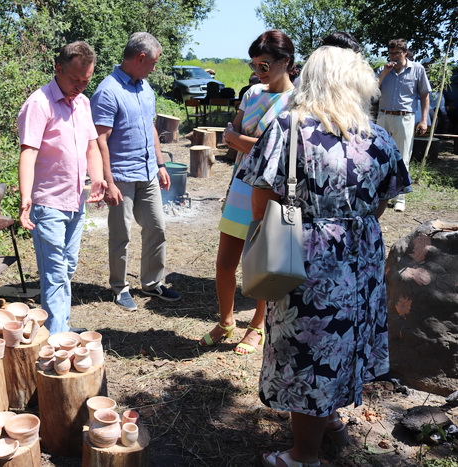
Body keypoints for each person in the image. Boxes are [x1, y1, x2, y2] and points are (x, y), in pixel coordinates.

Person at [238, 45, 411, 467]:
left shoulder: (288, 128)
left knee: (309, 352)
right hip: (362, 256)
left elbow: (261, 203)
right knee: (344, 340)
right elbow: (384, 200)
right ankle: (329, 418)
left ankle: (303, 455)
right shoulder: (378, 135)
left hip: (308, 257)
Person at [200, 30, 295, 354]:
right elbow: (234, 134)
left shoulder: (296, 103)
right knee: (225, 263)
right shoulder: (253, 93)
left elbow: (271, 150)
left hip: (270, 190)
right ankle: (226, 321)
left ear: (286, 62)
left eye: (265, 65)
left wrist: (239, 140)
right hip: (240, 185)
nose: (259, 72)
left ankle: (257, 325)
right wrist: (244, 141)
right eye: (255, 65)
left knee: (262, 264)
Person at [17, 41, 106, 334]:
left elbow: (92, 145)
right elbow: (28, 152)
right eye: (74, 79)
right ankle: (57, 340)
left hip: (75, 201)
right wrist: (26, 197)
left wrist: (97, 177)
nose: (80, 86)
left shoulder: (83, 103)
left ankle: (59, 326)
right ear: (58, 69)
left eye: (86, 81)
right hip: (47, 202)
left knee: (67, 268)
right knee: (55, 274)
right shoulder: (39, 104)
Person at [91, 32, 181, 311]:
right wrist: (108, 181)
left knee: (157, 228)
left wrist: (161, 164)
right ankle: (120, 288)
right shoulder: (107, 91)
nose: (155, 68)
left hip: (147, 172)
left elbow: (150, 127)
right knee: (122, 235)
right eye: (153, 62)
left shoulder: (145, 87)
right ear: (140, 58)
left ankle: (153, 284)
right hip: (121, 176)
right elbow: (99, 140)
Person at [377, 38, 431, 212]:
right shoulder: (383, 69)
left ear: (405, 52)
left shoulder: (417, 69)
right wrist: (384, 73)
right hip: (384, 115)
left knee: (402, 157)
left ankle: (399, 198)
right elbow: (372, 89)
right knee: (379, 156)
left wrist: (423, 120)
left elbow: (424, 95)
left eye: (396, 53)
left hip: (405, 117)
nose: (393, 57)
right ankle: (379, 193)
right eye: (390, 53)